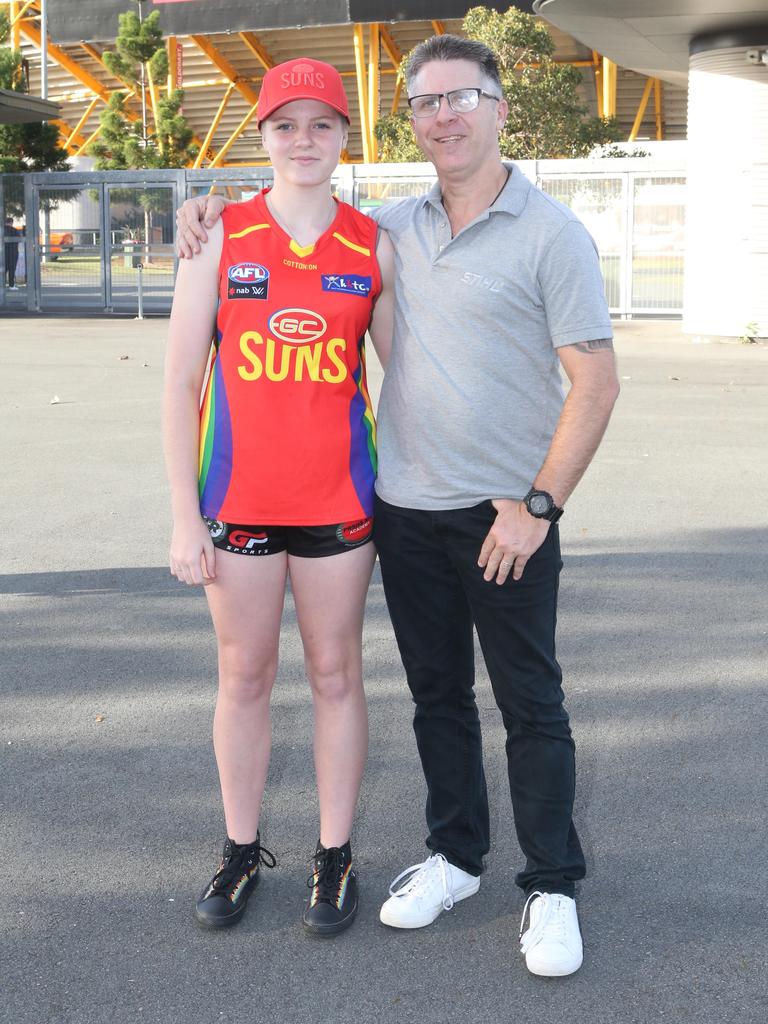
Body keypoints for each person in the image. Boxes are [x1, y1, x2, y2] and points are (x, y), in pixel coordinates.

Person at [175, 35, 619, 976]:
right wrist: (199, 209)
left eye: (464, 97)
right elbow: (280, 256)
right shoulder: (393, 227)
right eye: (428, 102)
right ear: (411, 121)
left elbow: (595, 380)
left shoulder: (546, 233)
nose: (446, 115)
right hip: (406, 506)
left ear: (499, 107)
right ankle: (455, 856)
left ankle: (551, 885)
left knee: (529, 701)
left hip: (503, 513)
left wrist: (539, 503)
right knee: (436, 700)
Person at [163, 57, 394, 938]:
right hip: (239, 505)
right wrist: (186, 517)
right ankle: (239, 848)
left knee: (337, 674)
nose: (304, 140)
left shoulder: (373, 243)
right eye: (285, 125)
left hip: (341, 504)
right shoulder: (218, 234)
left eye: (322, 124)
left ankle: (334, 857)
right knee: (244, 675)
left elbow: (406, 377)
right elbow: (182, 380)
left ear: (344, 136)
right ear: (261, 136)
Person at [4, 217, 20, 289]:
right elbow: (19, 239)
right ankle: (11, 285)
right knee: (12, 269)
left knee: (3, 269)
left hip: (3, 253)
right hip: (13, 252)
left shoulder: (1, 230)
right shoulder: (15, 230)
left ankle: (1, 284)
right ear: (11, 222)